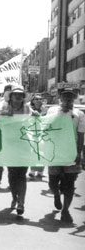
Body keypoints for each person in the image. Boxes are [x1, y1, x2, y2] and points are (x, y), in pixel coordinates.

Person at [47, 86, 85, 223]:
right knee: (52, 181)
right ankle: (56, 194)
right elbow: (46, 127)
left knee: (69, 184)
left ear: (74, 98)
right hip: (55, 153)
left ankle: (66, 210)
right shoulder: (52, 111)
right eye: (65, 96)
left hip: (71, 153)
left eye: (71, 96)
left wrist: (79, 153)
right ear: (60, 98)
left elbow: (81, 135)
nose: (68, 99)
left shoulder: (79, 114)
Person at [0, 85, 33, 216]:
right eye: (15, 95)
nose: (18, 97)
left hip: (24, 145)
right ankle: (14, 196)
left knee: (22, 175)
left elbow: (33, 122)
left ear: (23, 97)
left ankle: (21, 203)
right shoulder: (5, 109)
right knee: (12, 176)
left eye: (20, 95)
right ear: (11, 97)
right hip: (9, 146)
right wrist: (4, 117)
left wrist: (35, 115)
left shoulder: (27, 108)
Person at [0, 84, 14, 184]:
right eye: (7, 90)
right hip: (0, 135)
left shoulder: (17, 105)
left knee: (10, 158)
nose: (9, 93)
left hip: (11, 136)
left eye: (11, 91)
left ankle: (11, 178)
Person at [28, 93, 47, 180]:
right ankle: (32, 170)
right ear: (33, 100)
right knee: (33, 152)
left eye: (40, 99)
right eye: (36, 99)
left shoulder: (45, 110)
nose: (38, 101)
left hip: (42, 134)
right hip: (31, 134)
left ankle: (40, 171)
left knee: (42, 152)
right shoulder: (28, 109)